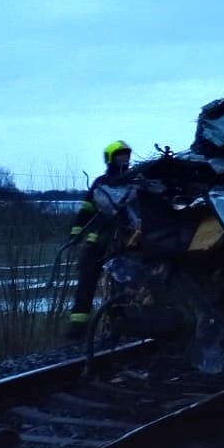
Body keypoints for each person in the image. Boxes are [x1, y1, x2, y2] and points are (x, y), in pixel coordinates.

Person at [65, 140, 143, 340]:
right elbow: (86, 210)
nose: (124, 158)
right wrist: (76, 233)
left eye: (126, 154)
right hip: (98, 240)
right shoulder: (101, 183)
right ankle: (78, 328)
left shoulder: (135, 180)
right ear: (110, 158)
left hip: (126, 241)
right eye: (119, 154)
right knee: (86, 281)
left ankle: (120, 324)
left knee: (123, 281)